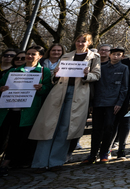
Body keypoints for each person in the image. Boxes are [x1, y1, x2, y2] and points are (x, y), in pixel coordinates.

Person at [30, 34, 101, 170]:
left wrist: (87, 75)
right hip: (59, 93)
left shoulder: (94, 57)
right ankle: (40, 163)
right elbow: (54, 77)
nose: (80, 44)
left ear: (89, 43)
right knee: (49, 126)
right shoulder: (66, 55)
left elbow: (97, 75)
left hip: (78, 94)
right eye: (78, 41)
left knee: (66, 127)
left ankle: (56, 162)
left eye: (83, 41)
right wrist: (55, 75)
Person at [0, 46, 52, 175]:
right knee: (1, 136)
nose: (29, 56)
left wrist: (42, 88)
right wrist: (2, 88)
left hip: (27, 111)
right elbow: (1, 83)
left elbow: (48, 89)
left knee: (16, 138)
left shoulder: (44, 72)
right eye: (28, 54)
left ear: (40, 56)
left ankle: (6, 163)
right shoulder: (14, 70)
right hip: (8, 109)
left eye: (33, 54)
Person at [82, 44, 129, 164]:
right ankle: (92, 154)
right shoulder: (101, 67)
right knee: (96, 129)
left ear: (122, 56)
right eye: (114, 54)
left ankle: (104, 152)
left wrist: (119, 102)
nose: (116, 56)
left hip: (113, 103)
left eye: (119, 54)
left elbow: (124, 88)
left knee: (109, 127)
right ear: (109, 55)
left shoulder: (124, 68)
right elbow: (94, 86)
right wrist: (92, 102)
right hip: (98, 102)